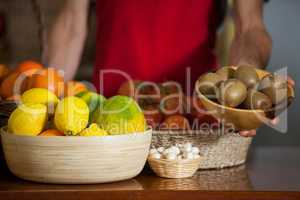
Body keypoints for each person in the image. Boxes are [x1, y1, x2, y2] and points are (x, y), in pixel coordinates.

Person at [43, 0, 273, 137]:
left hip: (196, 122)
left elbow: (250, 27)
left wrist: (245, 88)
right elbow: (71, 23)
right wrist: (44, 97)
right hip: (109, 122)